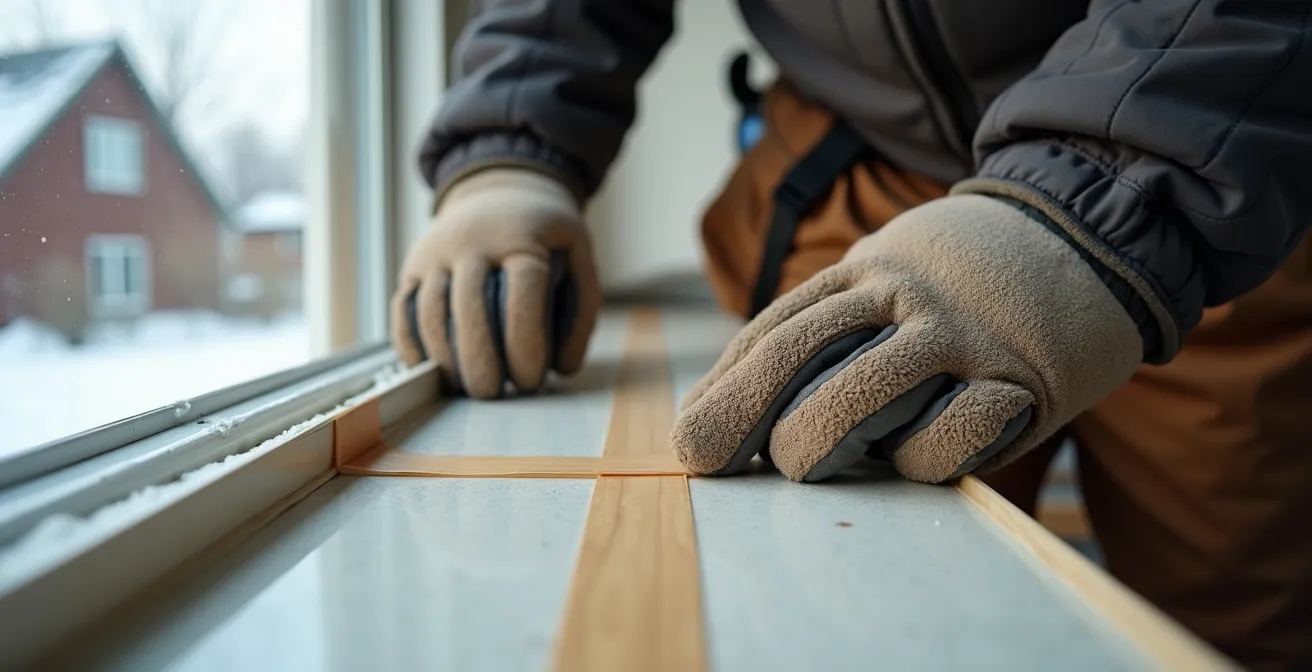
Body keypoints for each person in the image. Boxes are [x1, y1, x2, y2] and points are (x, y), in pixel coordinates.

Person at [391, 1, 1312, 668]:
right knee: (841, 593)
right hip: (864, 170)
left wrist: (1109, 189)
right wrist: (508, 146)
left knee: (1230, 617)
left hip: (1215, 173)